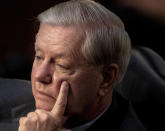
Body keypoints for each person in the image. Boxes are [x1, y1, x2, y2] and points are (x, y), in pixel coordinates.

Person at [18, 0, 146, 131]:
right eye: (39, 57)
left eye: (61, 65)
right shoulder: (1, 102)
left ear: (106, 78)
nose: (39, 75)